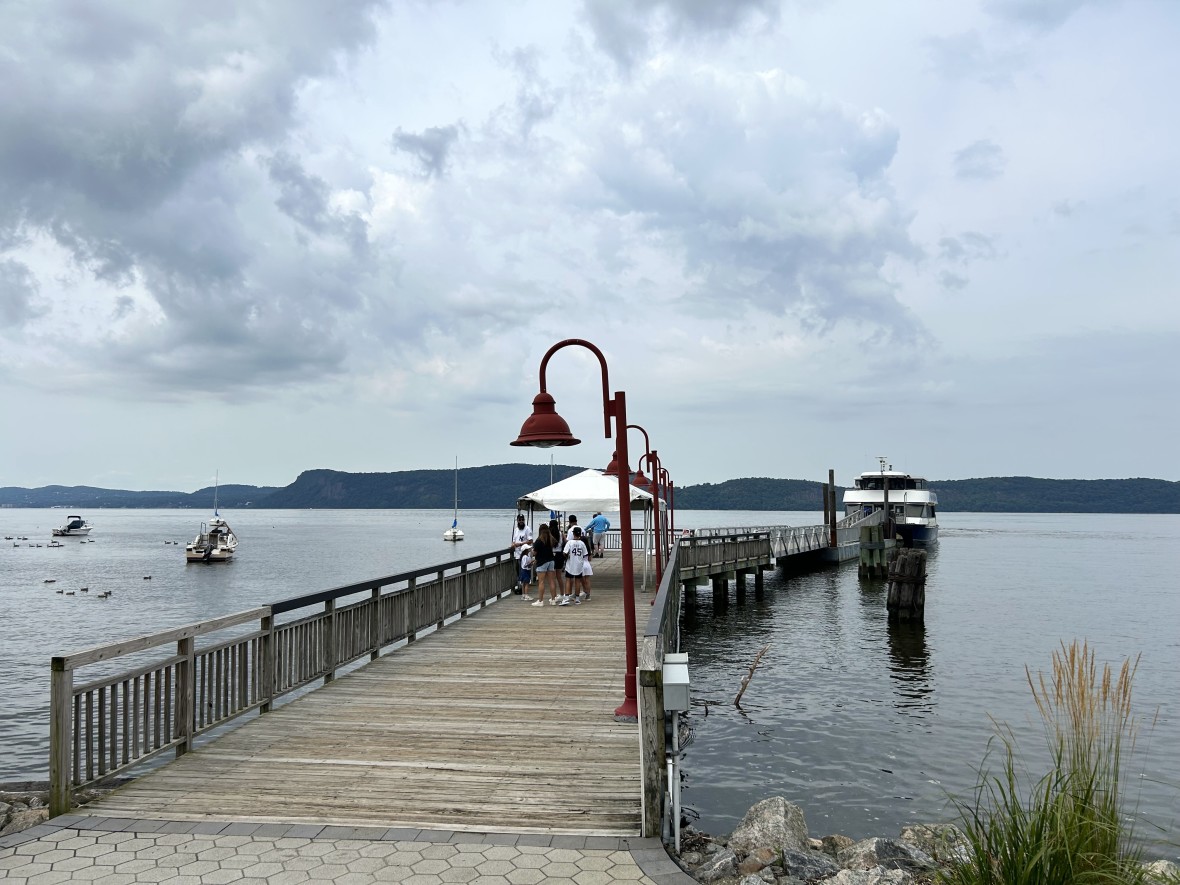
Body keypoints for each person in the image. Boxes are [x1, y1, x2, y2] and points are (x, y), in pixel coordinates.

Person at [560, 526, 590, 605]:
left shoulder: (569, 542)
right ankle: (577, 598)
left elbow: (564, 553)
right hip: (579, 564)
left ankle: (566, 597)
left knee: (568, 580)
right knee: (578, 581)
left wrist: (567, 557)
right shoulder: (582, 543)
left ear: (573, 534)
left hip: (570, 564)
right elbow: (585, 554)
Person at [530, 524, 557, 607]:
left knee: (541, 582)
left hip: (542, 562)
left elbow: (534, 553)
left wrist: (531, 552)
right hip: (551, 561)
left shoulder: (538, 541)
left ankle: (540, 601)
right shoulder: (551, 539)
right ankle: (553, 600)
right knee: (551, 581)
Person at [511, 514, 532, 594]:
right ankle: (520, 588)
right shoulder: (516, 530)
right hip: (517, 554)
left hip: (524, 555)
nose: (521, 521)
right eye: (519, 520)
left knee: (523, 572)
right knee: (518, 572)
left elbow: (530, 541)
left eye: (522, 519)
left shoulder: (527, 529)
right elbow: (513, 541)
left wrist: (520, 544)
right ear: (517, 521)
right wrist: (513, 545)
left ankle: (523, 590)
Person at [549, 517, 566, 600]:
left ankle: (554, 595)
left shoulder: (549, 534)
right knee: (559, 577)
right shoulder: (560, 533)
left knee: (553, 578)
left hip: (552, 555)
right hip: (559, 555)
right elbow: (565, 541)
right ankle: (562, 594)